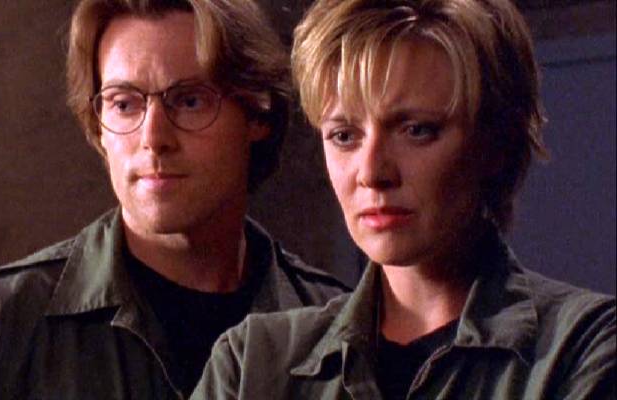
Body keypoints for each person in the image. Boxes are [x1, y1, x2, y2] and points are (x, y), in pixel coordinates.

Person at [0, 0, 350, 399]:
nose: (153, 138)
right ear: (98, 124)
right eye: (124, 104)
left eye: (189, 101)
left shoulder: (340, 328)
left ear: (257, 113)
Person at [192, 0, 616, 398]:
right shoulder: (253, 362)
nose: (372, 173)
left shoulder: (581, 346)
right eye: (344, 136)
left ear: (495, 143)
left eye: (416, 130)